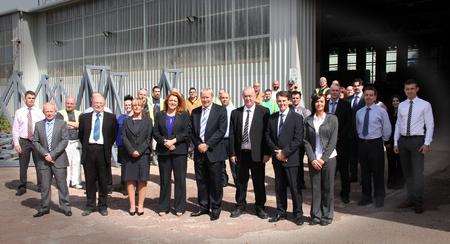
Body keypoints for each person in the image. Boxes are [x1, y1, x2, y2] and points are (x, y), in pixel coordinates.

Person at [229, 87, 270, 219]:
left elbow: (266, 134)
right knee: (241, 182)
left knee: (259, 182)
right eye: (245, 96)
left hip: (257, 154)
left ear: (255, 96)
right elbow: (232, 135)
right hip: (241, 154)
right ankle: (240, 205)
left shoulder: (263, 111)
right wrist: (232, 153)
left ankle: (260, 207)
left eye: (250, 96)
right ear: (242, 97)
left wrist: (266, 153)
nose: (248, 98)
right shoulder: (236, 113)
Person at [394, 79, 434, 214]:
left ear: (417, 89)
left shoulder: (425, 105)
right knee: (407, 173)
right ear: (404, 90)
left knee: (417, 173)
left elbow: (430, 125)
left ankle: (418, 202)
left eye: (412, 88)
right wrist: (395, 142)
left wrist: (427, 143)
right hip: (404, 141)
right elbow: (398, 124)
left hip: (417, 141)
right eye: (407, 89)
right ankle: (410, 198)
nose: (409, 91)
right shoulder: (402, 106)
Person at [266, 91, 304, 225]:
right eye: (279, 101)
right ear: (276, 102)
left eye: (284, 101)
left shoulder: (297, 117)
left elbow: (298, 139)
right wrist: (277, 152)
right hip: (277, 158)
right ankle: (281, 211)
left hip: (291, 159)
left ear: (288, 101)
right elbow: (268, 137)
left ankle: (298, 214)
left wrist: (285, 153)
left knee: (294, 187)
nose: (281, 103)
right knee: (279, 186)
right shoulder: (272, 118)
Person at [190, 88, 227, 221]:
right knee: (201, 180)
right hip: (199, 152)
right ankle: (203, 206)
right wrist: (198, 144)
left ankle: (216, 208)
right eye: (203, 97)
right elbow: (191, 131)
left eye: (207, 97)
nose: (205, 100)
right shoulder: (195, 112)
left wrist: (208, 144)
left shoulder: (220, 110)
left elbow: (221, 130)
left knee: (215, 181)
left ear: (212, 97)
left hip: (214, 152)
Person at [79, 94, 117, 216]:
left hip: (103, 151)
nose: (98, 105)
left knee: (103, 180)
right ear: (92, 103)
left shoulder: (111, 117)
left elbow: (113, 134)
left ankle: (103, 206)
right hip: (89, 150)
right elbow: (81, 134)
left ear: (104, 103)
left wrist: (106, 146)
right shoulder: (84, 117)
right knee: (89, 180)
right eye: (96, 102)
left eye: (101, 103)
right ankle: (90, 205)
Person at [153, 92, 190, 216]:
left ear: (178, 102)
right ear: (167, 102)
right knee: (164, 180)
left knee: (180, 180)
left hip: (179, 151)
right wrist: (165, 142)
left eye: (175, 100)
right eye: (170, 100)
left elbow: (186, 132)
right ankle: (164, 206)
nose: (173, 102)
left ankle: (179, 206)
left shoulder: (184, 115)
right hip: (164, 152)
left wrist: (174, 141)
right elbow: (155, 132)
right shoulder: (159, 115)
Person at [32, 102, 71, 217]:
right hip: (43, 160)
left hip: (59, 159)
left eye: (51, 111)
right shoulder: (38, 125)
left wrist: (52, 155)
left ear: (55, 111)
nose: (49, 113)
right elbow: (35, 141)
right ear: (43, 112)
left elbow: (65, 141)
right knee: (44, 186)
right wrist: (45, 154)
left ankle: (65, 207)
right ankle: (44, 207)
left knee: (62, 185)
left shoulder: (62, 124)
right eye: (47, 111)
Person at [304, 94, 338, 225]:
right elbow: (305, 141)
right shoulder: (308, 120)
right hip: (314, 159)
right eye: (317, 101)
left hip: (329, 159)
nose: (319, 103)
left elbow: (333, 141)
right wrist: (312, 158)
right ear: (313, 103)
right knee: (316, 188)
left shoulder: (332, 119)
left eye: (321, 101)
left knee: (328, 188)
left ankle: (327, 216)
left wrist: (323, 159)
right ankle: (315, 215)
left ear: (325, 103)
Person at [356, 85, 391, 208]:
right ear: (364, 96)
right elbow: (358, 127)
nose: (369, 97)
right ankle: (366, 197)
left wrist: (384, 141)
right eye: (366, 95)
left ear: (375, 96)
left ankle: (379, 196)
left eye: (371, 95)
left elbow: (387, 128)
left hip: (376, 144)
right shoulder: (359, 112)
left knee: (378, 172)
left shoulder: (381, 111)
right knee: (364, 172)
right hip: (363, 144)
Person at [122, 99, 152, 216]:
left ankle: (140, 205)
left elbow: (149, 138)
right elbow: (124, 137)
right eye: (134, 105)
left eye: (139, 105)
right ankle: (132, 205)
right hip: (129, 155)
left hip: (143, 154)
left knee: (142, 180)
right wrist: (131, 150)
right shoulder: (126, 121)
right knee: (130, 179)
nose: (136, 107)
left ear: (142, 106)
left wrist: (139, 151)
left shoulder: (148, 121)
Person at [12, 90, 45, 196]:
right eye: (29, 98)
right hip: (23, 141)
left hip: (36, 141)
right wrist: (16, 144)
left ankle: (40, 186)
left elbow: (43, 127)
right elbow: (15, 129)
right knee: (23, 165)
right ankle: (22, 187)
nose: (31, 100)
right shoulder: (19, 112)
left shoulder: (39, 112)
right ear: (25, 99)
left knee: (39, 164)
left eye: (33, 98)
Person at [328, 85, 353, 204]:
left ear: (340, 92)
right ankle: (327, 193)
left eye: (337, 91)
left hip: (342, 142)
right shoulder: (324, 104)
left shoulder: (346, 104)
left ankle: (345, 193)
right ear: (330, 91)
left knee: (344, 170)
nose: (334, 92)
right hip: (327, 143)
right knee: (328, 170)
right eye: (332, 90)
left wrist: (338, 136)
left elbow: (349, 123)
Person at [56, 97, 82, 189]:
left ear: (75, 104)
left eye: (71, 104)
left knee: (77, 162)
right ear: (65, 103)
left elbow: (80, 125)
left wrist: (67, 123)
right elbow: (60, 125)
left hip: (76, 141)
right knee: (66, 163)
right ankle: (65, 182)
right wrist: (74, 124)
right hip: (65, 142)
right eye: (67, 103)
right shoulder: (60, 113)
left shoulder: (79, 113)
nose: (69, 105)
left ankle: (76, 182)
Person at [290, 90, 311, 190]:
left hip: (300, 141)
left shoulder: (305, 111)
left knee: (299, 162)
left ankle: (300, 182)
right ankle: (290, 182)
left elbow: (308, 126)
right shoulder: (288, 110)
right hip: (290, 141)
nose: (295, 100)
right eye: (293, 98)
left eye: (297, 98)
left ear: (300, 98)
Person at [347, 78, 365, 182]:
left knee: (363, 157)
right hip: (351, 133)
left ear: (362, 86)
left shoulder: (366, 98)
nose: (356, 87)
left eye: (358, 85)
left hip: (363, 133)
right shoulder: (349, 99)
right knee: (352, 156)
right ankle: (353, 175)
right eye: (355, 86)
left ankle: (364, 177)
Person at [115, 95, 133, 195]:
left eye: (129, 104)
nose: (127, 106)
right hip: (122, 145)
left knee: (131, 166)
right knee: (123, 165)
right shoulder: (120, 117)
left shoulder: (135, 117)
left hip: (131, 146)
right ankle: (123, 184)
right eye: (126, 105)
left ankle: (131, 186)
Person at [385, 95, 404, 190]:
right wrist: (387, 141)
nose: (395, 102)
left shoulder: (403, 112)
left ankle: (400, 181)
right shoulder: (388, 113)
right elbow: (386, 128)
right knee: (391, 162)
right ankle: (391, 181)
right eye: (393, 101)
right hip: (390, 141)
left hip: (400, 141)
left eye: (397, 100)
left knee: (400, 162)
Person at [219, 90, 237, 187]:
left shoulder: (234, 110)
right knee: (221, 161)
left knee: (233, 161)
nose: (224, 99)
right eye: (222, 98)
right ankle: (223, 180)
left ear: (229, 98)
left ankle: (237, 181)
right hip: (221, 140)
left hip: (231, 139)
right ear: (220, 99)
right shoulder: (218, 110)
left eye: (226, 98)